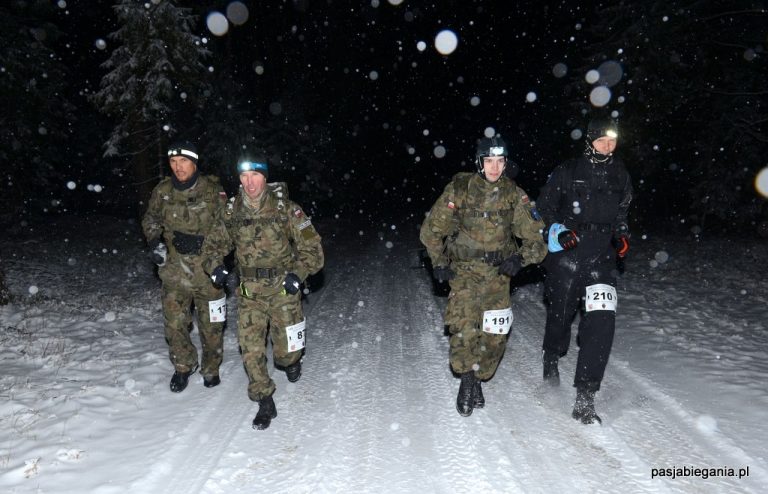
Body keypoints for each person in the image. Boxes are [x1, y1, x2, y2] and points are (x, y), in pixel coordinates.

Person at [420, 135, 548, 417]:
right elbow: (431, 231)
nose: (494, 167)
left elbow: (538, 238)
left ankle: (478, 377)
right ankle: (467, 381)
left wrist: (520, 259)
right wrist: (439, 261)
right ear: (479, 162)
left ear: (506, 164)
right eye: (488, 161)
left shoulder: (514, 194)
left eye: (500, 161)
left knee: (494, 337)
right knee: (464, 329)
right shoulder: (460, 189)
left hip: (498, 276)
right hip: (464, 273)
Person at [201, 153, 324, 430]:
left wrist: (298, 275)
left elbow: (313, 250)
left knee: (286, 354)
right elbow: (212, 246)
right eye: (244, 176)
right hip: (249, 293)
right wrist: (215, 266)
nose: (250, 182)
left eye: (255, 175)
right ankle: (264, 400)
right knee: (251, 349)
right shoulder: (231, 212)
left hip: (283, 290)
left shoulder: (287, 210)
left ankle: (292, 361)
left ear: (265, 178)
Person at [536, 116, 633, 424]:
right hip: (568, 255)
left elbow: (622, 211)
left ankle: (586, 395)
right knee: (560, 316)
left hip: (602, 258)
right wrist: (559, 231)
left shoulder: (620, 174)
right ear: (590, 141)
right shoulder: (568, 171)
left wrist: (621, 236)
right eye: (602, 140)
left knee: (602, 323)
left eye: (612, 141)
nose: (608, 146)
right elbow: (544, 208)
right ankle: (552, 355)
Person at [142, 141, 228, 393]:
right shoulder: (163, 191)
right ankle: (183, 366)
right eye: (173, 162)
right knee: (174, 324)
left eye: (183, 162)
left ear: (195, 163)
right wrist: (155, 241)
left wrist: (207, 245)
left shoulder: (214, 192)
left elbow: (228, 228)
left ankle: (211, 368)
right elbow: (150, 218)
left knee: (212, 325)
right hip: (175, 272)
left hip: (208, 272)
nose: (178, 168)